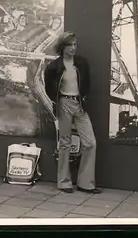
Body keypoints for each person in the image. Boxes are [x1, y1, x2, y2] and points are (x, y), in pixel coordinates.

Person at [44, 31, 101, 194]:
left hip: (79, 104)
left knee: (90, 143)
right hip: (64, 104)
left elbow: (87, 84)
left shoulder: (82, 63)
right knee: (65, 143)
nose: (73, 48)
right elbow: (49, 89)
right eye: (70, 45)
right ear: (62, 47)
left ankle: (85, 183)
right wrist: (59, 101)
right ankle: (64, 182)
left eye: (75, 44)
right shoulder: (54, 67)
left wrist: (82, 98)